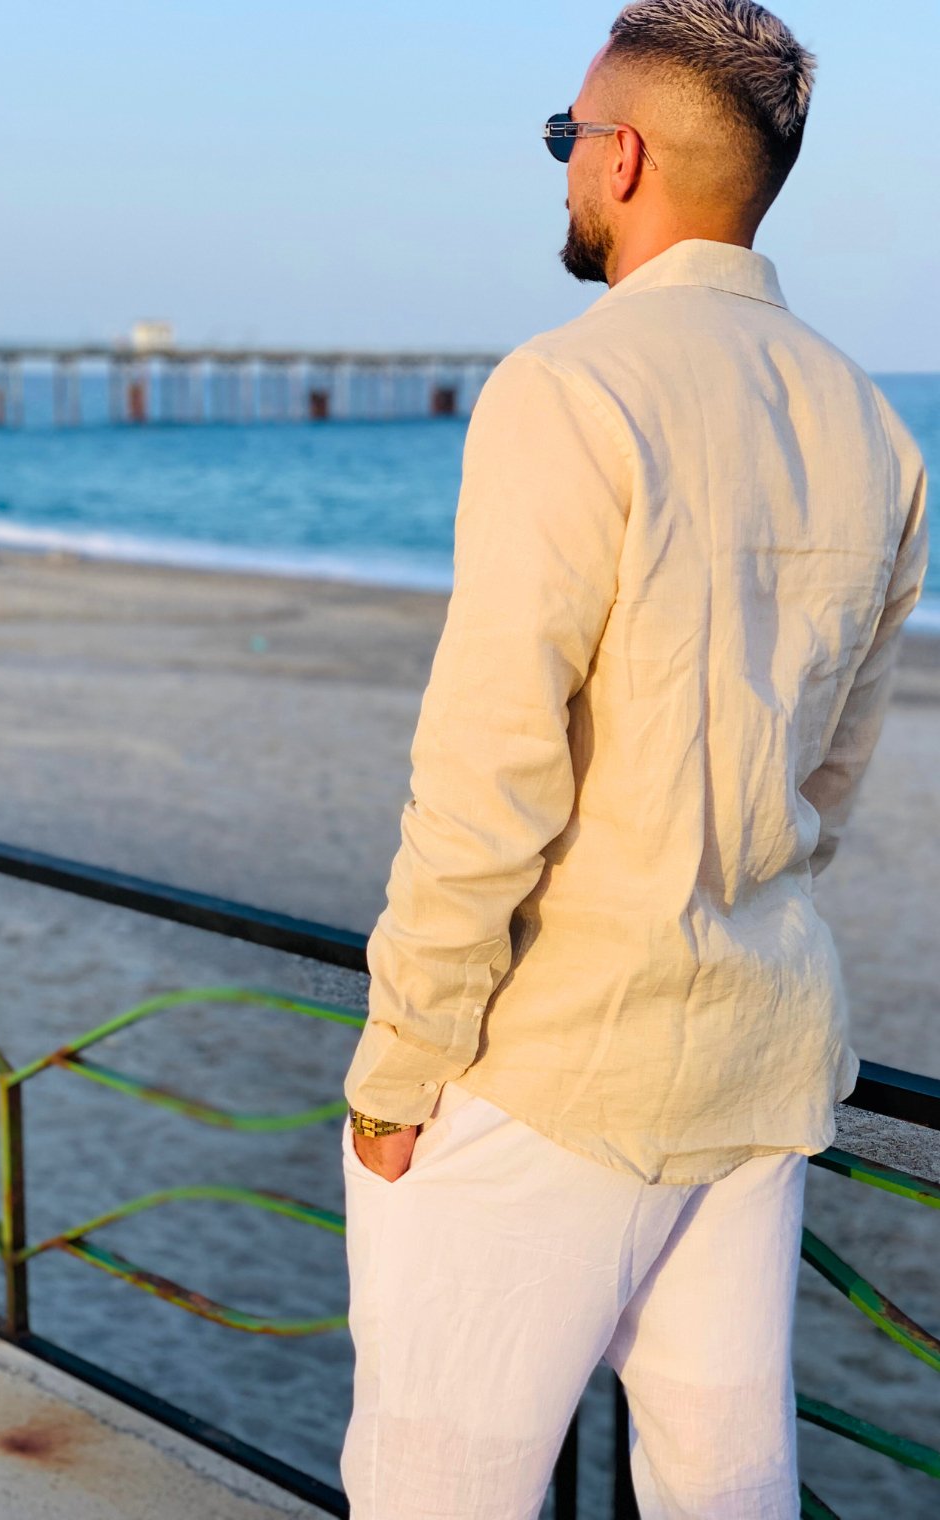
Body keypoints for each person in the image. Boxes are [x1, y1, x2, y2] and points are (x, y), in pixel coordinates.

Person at [339, 1, 930, 1515]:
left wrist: (402, 1066)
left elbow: (489, 774)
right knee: (726, 1493)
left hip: (558, 1067)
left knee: (437, 1491)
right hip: (758, 1047)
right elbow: (829, 782)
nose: (560, 178)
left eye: (564, 143)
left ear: (622, 157)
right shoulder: (875, 428)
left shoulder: (571, 386)